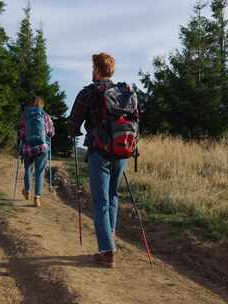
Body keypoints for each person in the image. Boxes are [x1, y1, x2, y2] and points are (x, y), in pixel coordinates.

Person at [68, 53, 131, 268]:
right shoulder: (124, 93)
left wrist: (75, 131)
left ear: (96, 69)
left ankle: (107, 251)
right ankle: (109, 241)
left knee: (101, 201)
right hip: (122, 151)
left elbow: (74, 122)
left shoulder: (89, 92)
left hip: (100, 150)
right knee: (113, 196)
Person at [19, 95, 55, 207]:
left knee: (28, 170)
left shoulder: (25, 116)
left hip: (28, 147)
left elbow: (21, 133)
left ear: (30, 104)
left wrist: (24, 138)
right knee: (39, 172)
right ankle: (37, 198)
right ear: (41, 105)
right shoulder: (45, 116)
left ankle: (27, 191)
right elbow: (51, 132)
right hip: (42, 148)